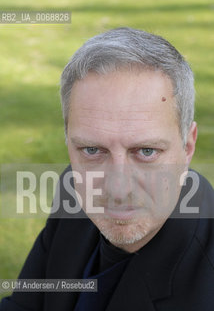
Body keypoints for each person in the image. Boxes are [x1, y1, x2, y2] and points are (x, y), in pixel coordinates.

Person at [1, 27, 214, 311]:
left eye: (146, 151)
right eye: (92, 150)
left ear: (187, 147)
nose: (117, 189)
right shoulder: (72, 192)